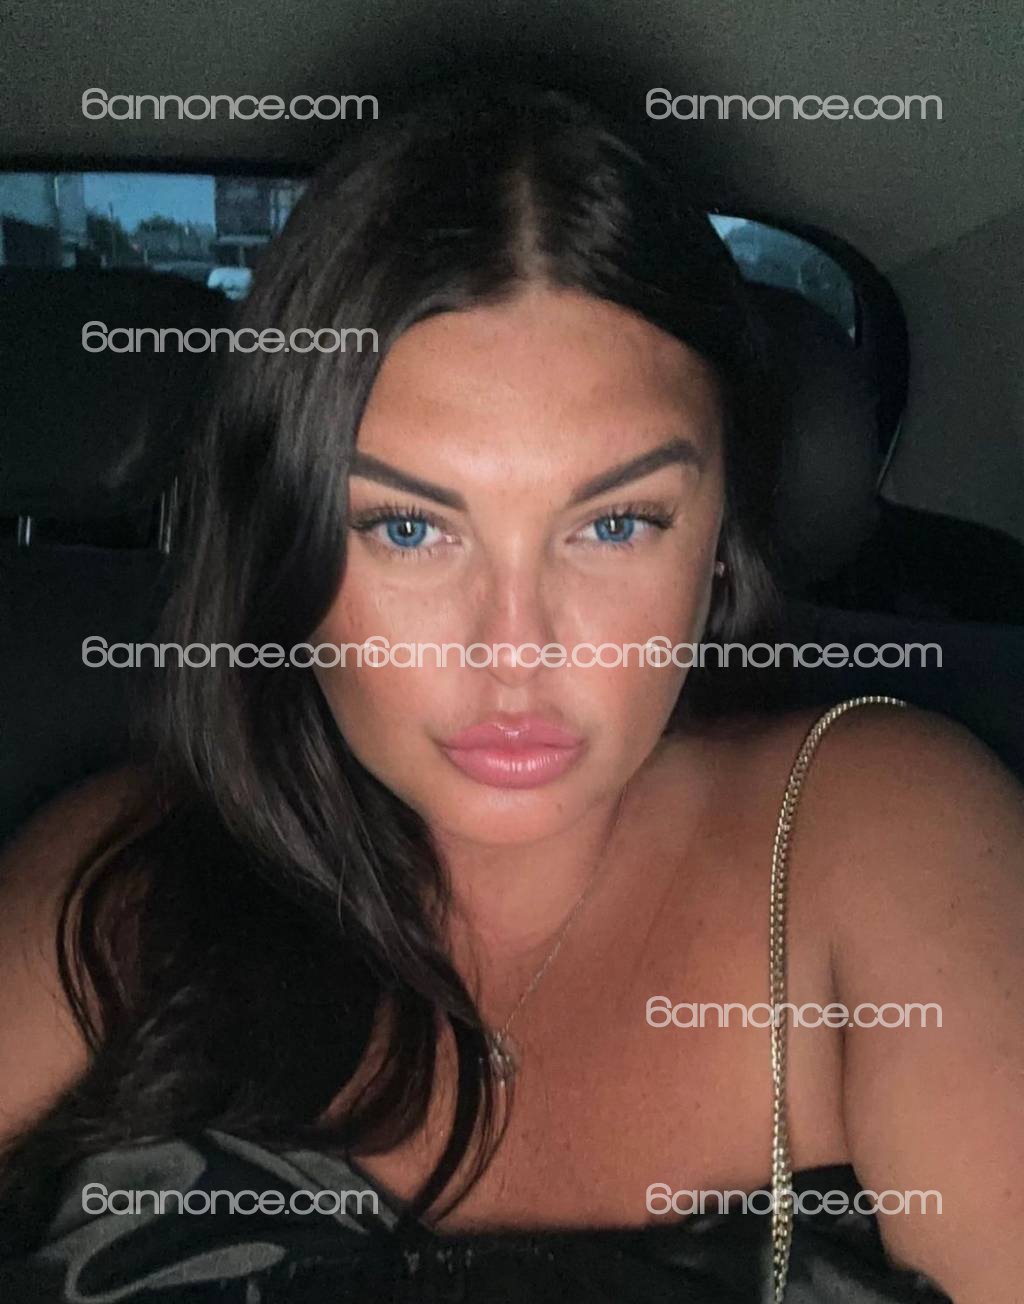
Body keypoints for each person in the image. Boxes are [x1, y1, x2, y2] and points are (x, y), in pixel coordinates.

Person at [0, 81, 1021, 1304]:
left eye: (616, 522)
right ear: (285, 544)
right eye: (408, 528)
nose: (515, 648)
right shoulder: (116, 885)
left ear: (719, 539)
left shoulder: (882, 831)